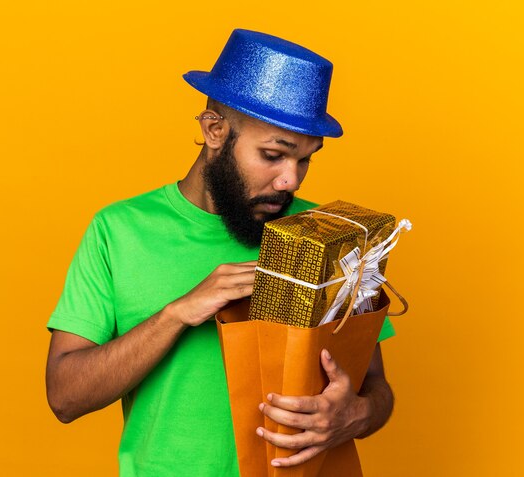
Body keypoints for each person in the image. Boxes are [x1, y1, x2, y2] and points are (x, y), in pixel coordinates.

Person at [45, 29, 395, 476]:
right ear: (214, 130)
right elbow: (65, 397)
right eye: (273, 155)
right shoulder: (119, 231)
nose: (292, 180)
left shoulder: (326, 234)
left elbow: (376, 389)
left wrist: (354, 416)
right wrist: (177, 313)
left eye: (306, 159)